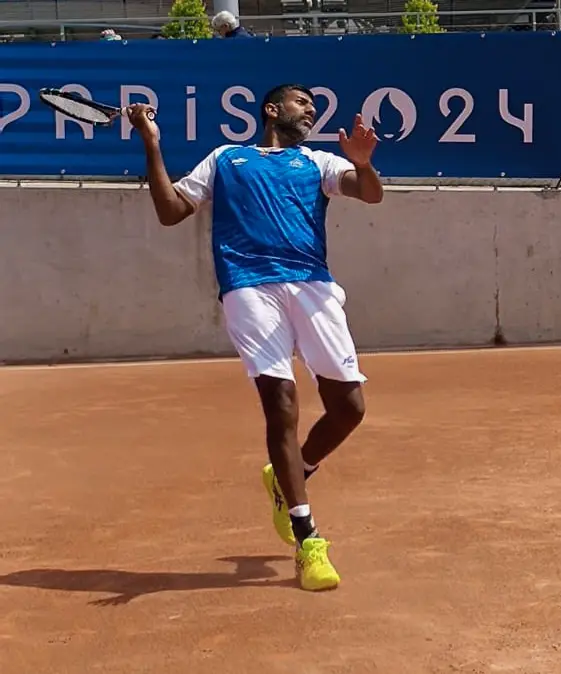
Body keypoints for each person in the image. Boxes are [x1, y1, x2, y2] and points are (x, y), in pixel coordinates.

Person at [127, 84, 383, 592]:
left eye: (313, 105)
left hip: (311, 283)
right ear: (272, 110)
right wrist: (151, 143)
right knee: (280, 403)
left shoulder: (319, 163)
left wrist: (362, 162)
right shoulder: (226, 158)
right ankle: (308, 540)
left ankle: (291, 474)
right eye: (300, 102)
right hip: (247, 286)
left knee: (349, 408)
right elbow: (171, 210)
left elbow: (369, 192)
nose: (310, 109)